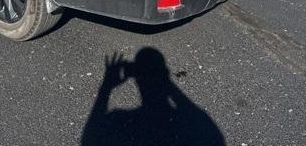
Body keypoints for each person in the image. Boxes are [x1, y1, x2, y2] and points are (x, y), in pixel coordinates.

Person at [82, 47, 225, 146]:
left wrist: (106, 86)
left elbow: (90, 135)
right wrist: (165, 80)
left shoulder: (118, 119)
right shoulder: (205, 128)